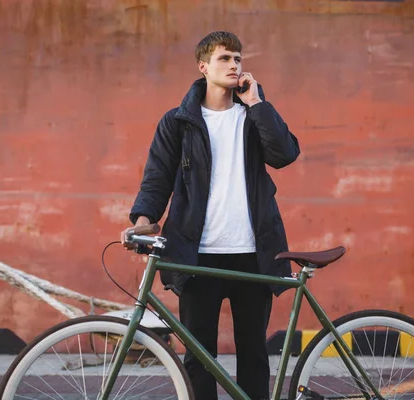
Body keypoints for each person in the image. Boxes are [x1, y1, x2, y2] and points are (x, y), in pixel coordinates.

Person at [121, 31, 300, 400]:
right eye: (224, 58)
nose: (234, 65)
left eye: (238, 58)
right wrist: (142, 221)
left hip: (253, 255)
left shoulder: (253, 117)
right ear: (203, 67)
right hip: (196, 256)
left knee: (253, 356)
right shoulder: (178, 122)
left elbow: (285, 154)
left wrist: (258, 104)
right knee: (199, 360)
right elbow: (157, 177)